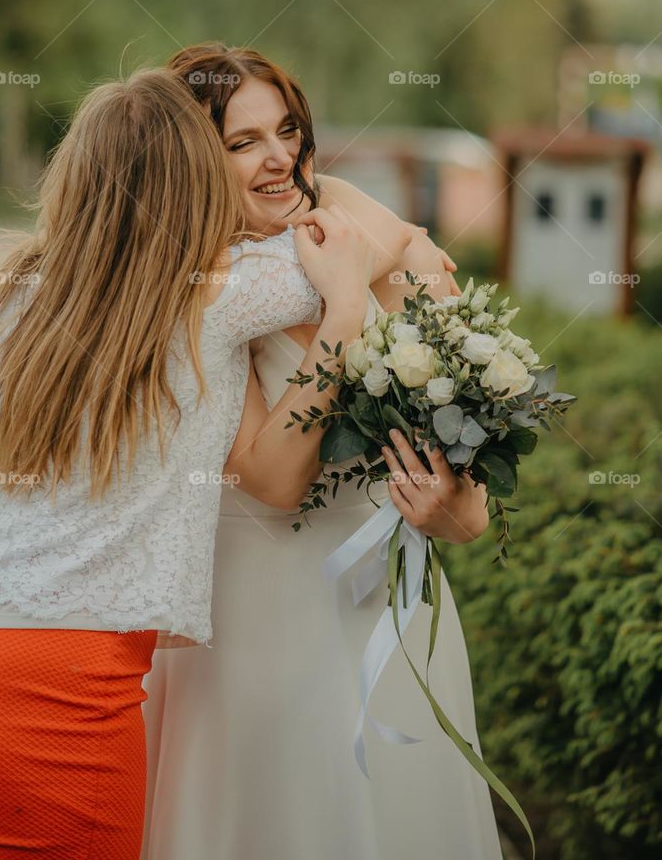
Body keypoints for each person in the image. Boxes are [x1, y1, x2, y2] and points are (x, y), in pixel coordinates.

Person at [0, 68, 375, 860]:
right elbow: (367, 246)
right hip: (58, 676)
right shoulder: (217, 294)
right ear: (191, 185)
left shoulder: (22, 286)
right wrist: (345, 311)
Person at [141, 45, 502, 860]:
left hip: (396, 605)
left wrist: (465, 509)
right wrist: (364, 281)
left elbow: (450, 359)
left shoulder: (335, 201)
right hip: (260, 613)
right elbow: (272, 476)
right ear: (192, 157)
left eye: (288, 129)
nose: (280, 159)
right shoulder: (184, 285)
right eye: (243, 143)